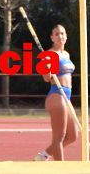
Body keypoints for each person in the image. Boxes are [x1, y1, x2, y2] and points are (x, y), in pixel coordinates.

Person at [33, 25, 77, 161]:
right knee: (59, 137)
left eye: (62, 33)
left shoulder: (66, 54)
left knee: (72, 136)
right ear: (52, 37)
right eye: (57, 34)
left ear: (66, 36)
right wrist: (48, 70)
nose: (60, 36)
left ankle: (43, 156)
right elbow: (47, 78)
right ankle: (60, 168)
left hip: (67, 97)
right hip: (57, 95)